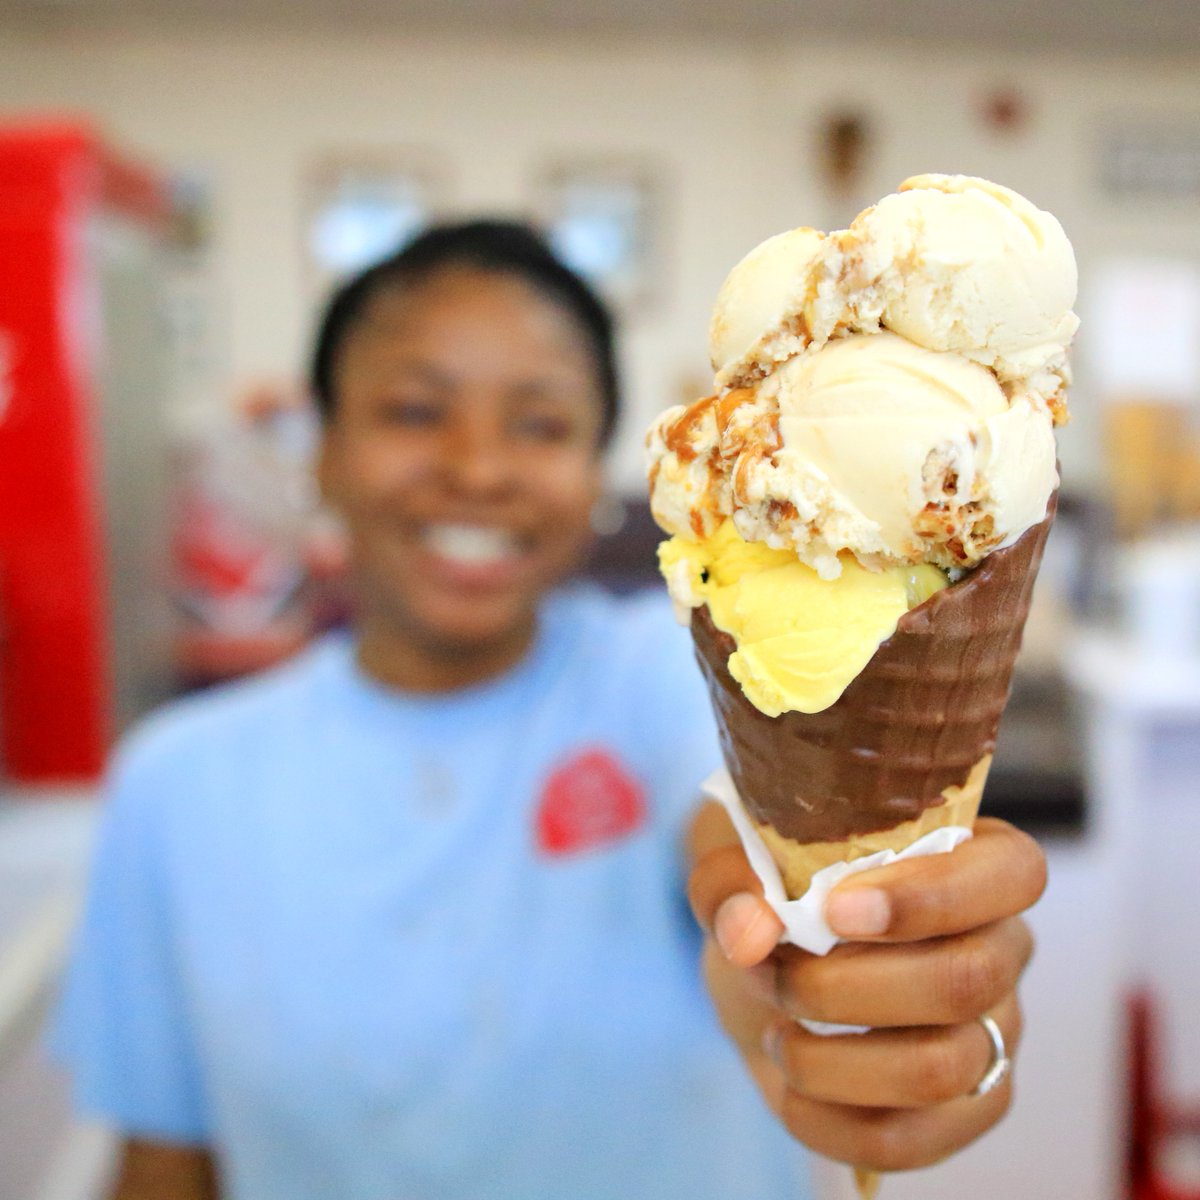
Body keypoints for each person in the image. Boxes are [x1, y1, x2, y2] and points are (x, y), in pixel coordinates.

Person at [51, 221, 1047, 1200]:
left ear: (592, 475)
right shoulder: (179, 784)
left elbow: (730, 855)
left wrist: (819, 967)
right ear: (323, 452)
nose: (479, 469)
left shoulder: (682, 672)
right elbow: (162, 1165)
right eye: (412, 410)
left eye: (540, 424)